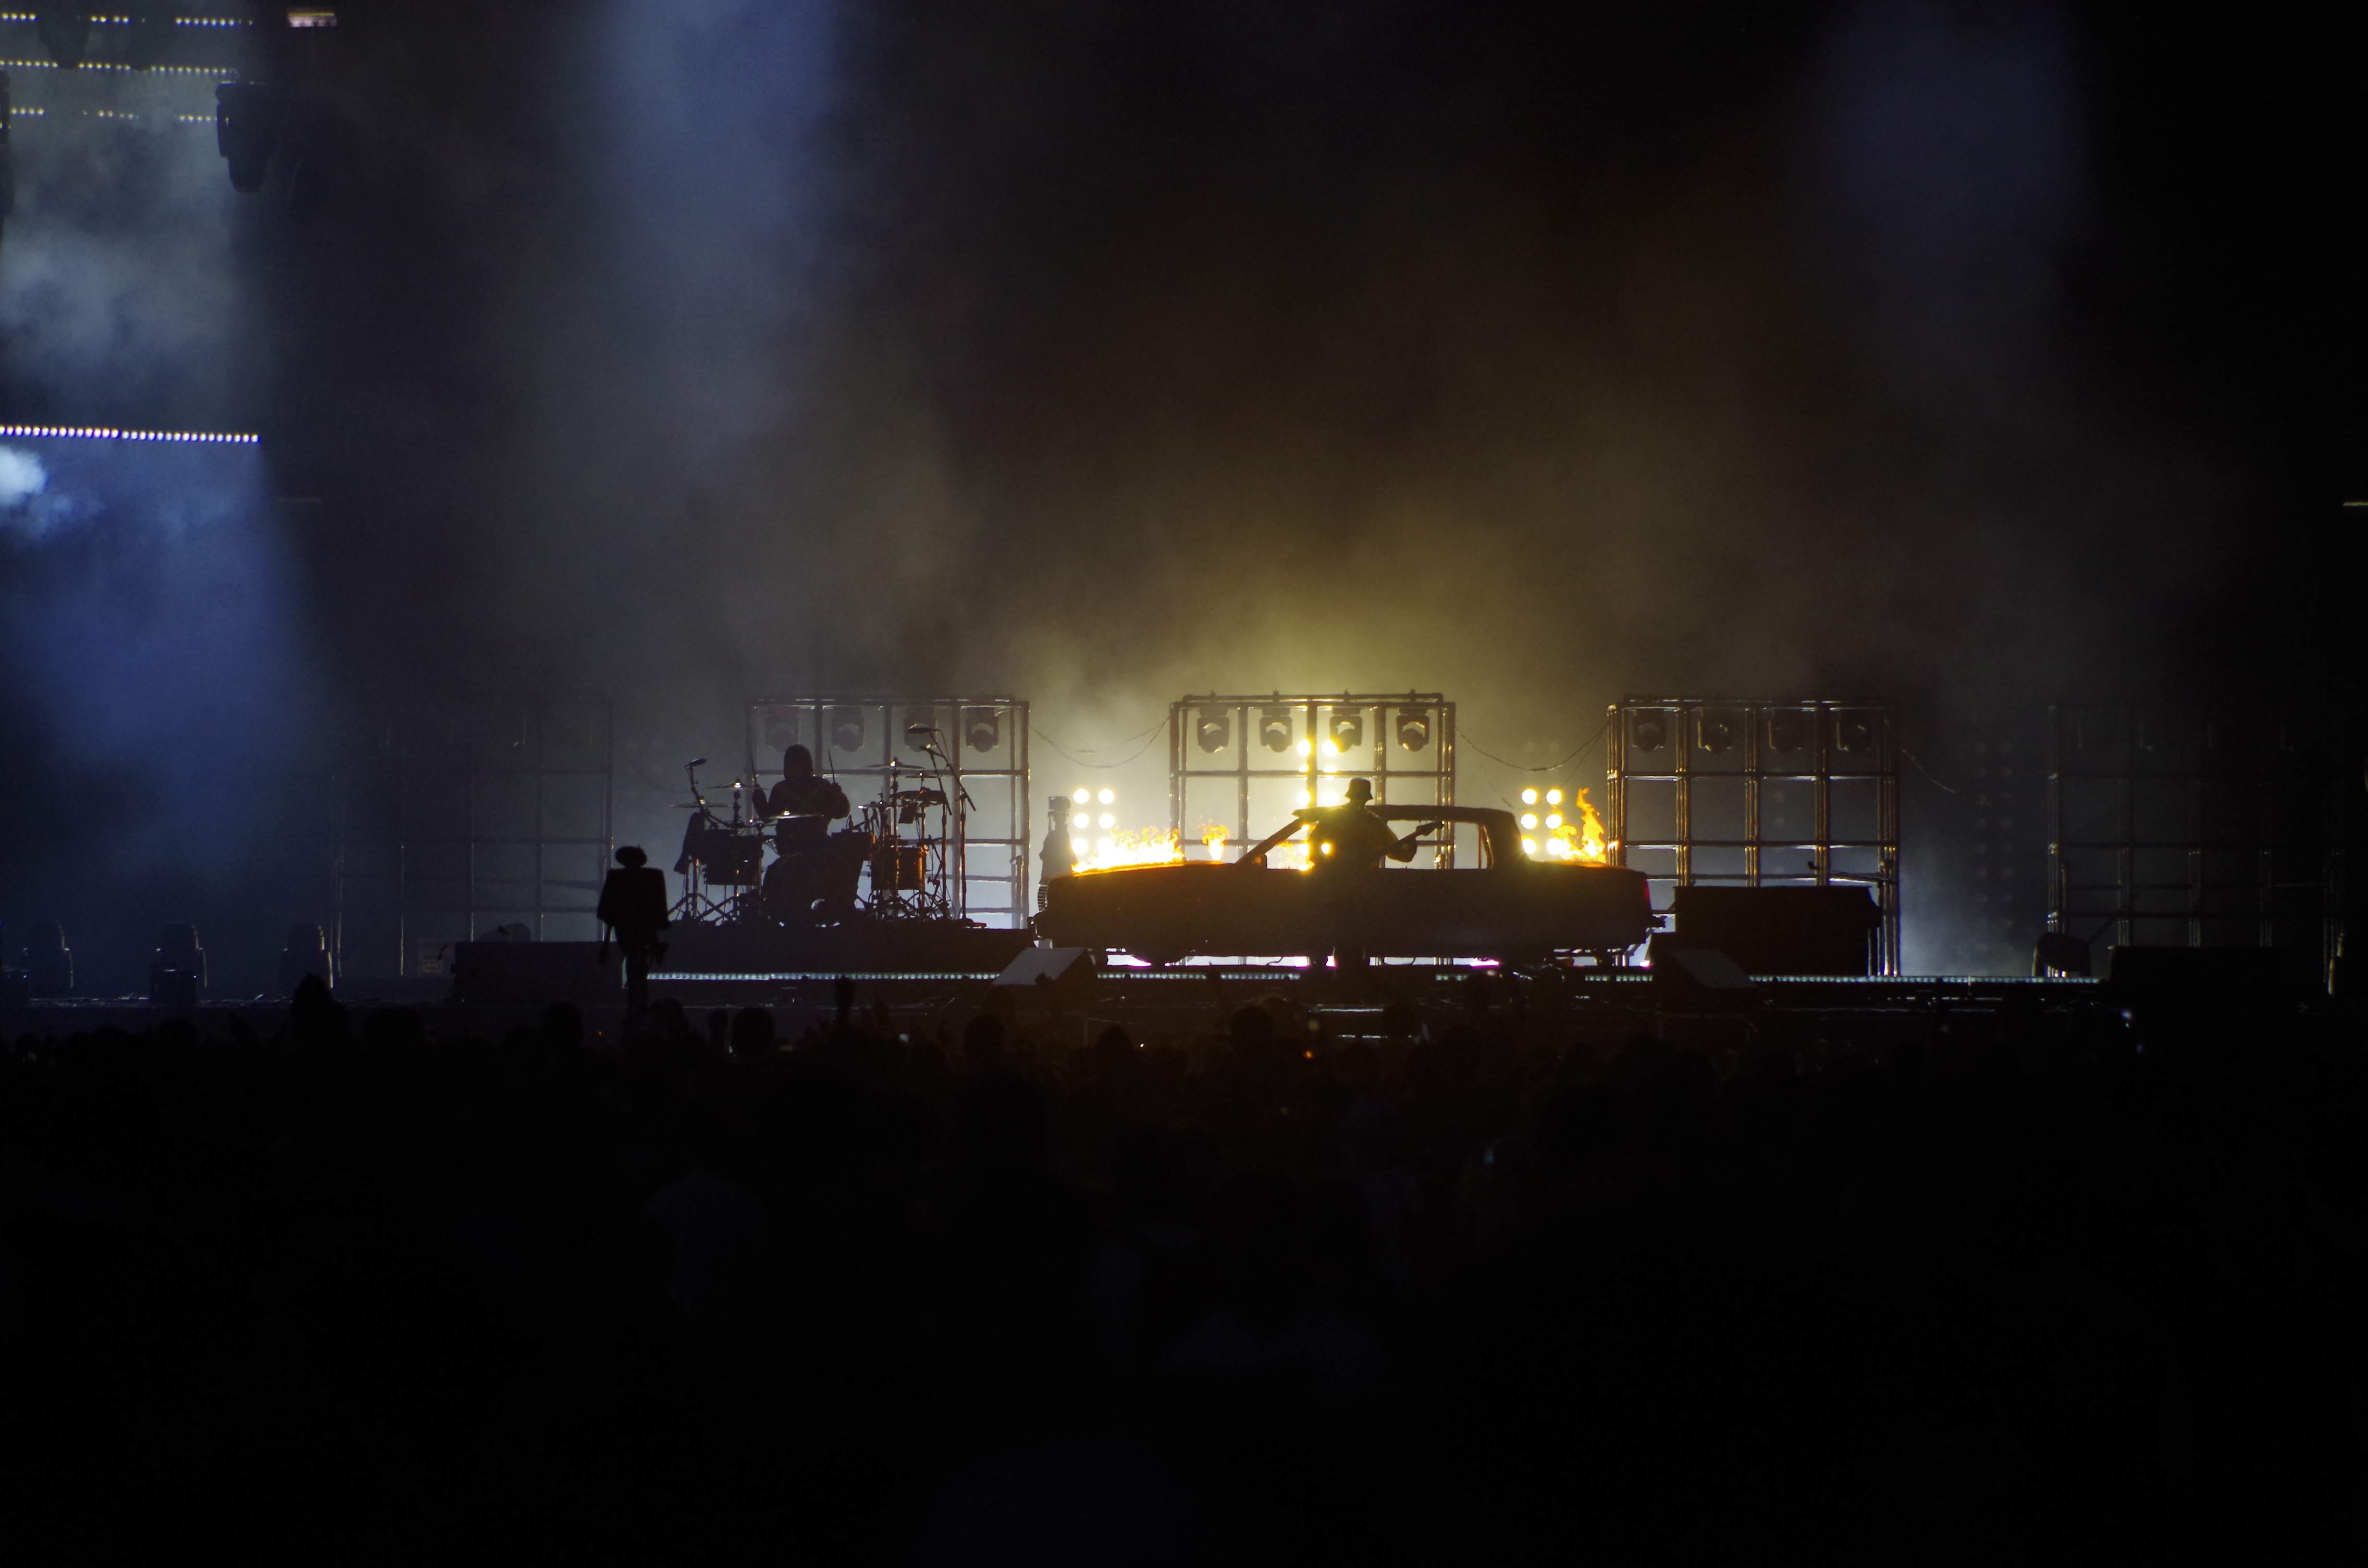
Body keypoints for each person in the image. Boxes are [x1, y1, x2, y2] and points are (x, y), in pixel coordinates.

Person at [597, 845, 670, 1017]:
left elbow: (609, 910)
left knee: (633, 961)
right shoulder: (653, 876)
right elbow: (659, 906)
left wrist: (606, 943)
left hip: (626, 926)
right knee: (640, 963)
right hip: (644, 927)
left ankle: (634, 1003)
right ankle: (640, 1002)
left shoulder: (616, 877)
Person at [1308, 778, 1426, 872]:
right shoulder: (1374, 821)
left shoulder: (1334, 816)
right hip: (1365, 880)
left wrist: (1327, 866)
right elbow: (1398, 853)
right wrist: (1411, 843)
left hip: (1342, 878)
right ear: (1367, 798)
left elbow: (1314, 843)